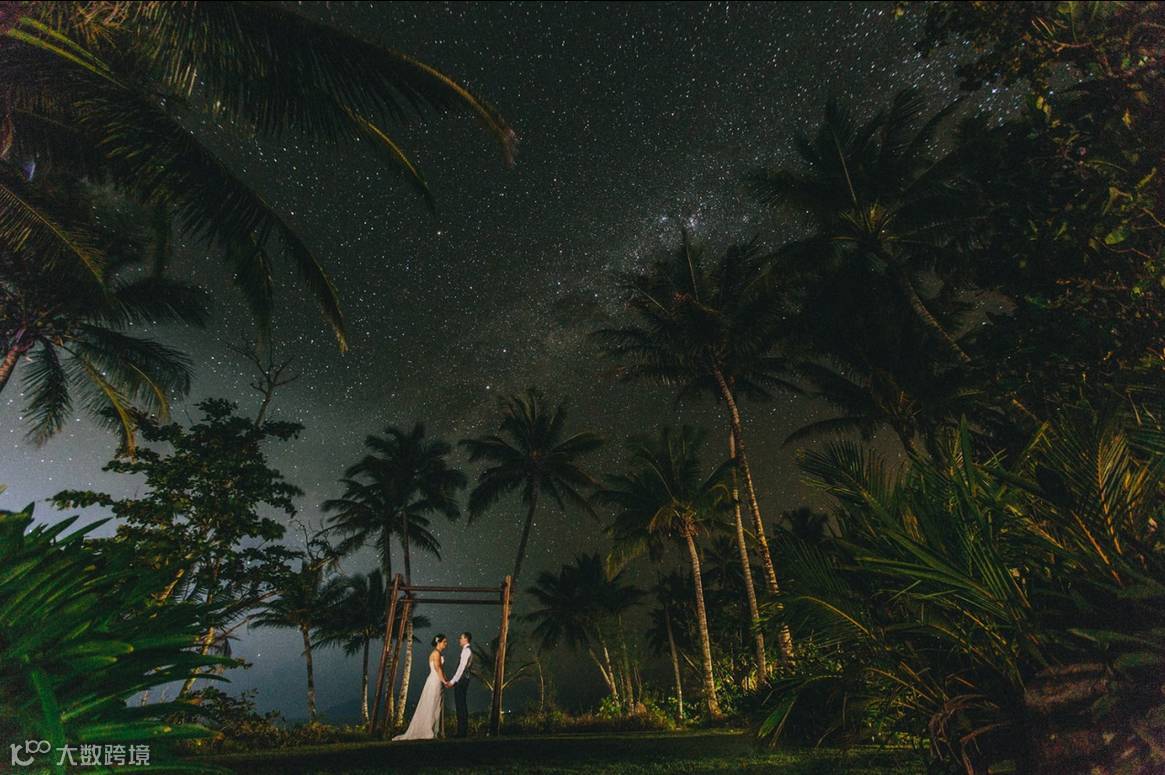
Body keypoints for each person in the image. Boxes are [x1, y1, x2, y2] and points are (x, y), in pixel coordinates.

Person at [392, 634, 449, 741]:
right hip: (435, 681)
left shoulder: (438, 653)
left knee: (437, 704)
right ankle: (429, 730)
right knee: (433, 704)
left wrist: (446, 680)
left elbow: (441, 669)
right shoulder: (436, 653)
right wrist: (444, 681)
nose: (446, 644)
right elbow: (437, 669)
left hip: (437, 680)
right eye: (444, 642)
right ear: (439, 642)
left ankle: (436, 730)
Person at [444, 632, 473, 738]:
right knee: (461, 704)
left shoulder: (466, 651)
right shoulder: (467, 650)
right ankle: (462, 731)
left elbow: (461, 668)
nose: (459, 640)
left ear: (465, 639)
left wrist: (453, 681)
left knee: (460, 705)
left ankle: (461, 732)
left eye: (460, 638)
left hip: (462, 680)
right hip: (464, 679)